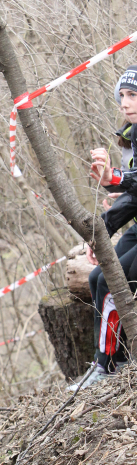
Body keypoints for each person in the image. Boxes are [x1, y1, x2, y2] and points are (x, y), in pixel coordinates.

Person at [83, 64, 137, 388]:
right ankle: (110, 360)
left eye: (133, 95)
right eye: (122, 96)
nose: (125, 103)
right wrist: (99, 233)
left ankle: (109, 369)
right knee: (96, 277)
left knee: (112, 283)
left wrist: (115, 178)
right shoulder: (131, 135)